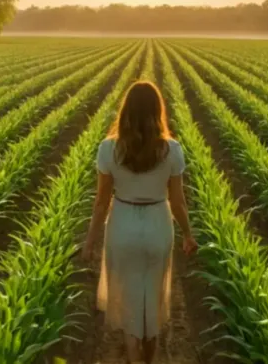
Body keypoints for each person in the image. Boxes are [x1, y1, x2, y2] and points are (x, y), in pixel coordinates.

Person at [82, 80, 198, 364]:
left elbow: (100, 203)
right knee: (153, 297)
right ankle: (150, 354)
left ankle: (133, 357)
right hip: (158, 223)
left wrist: (89, 242)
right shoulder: (172, 149)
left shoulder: (108, 149)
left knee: (130, 301)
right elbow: (179, 201)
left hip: (123, 224)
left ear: (126, 111)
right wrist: (188, 234)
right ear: (158, 111)